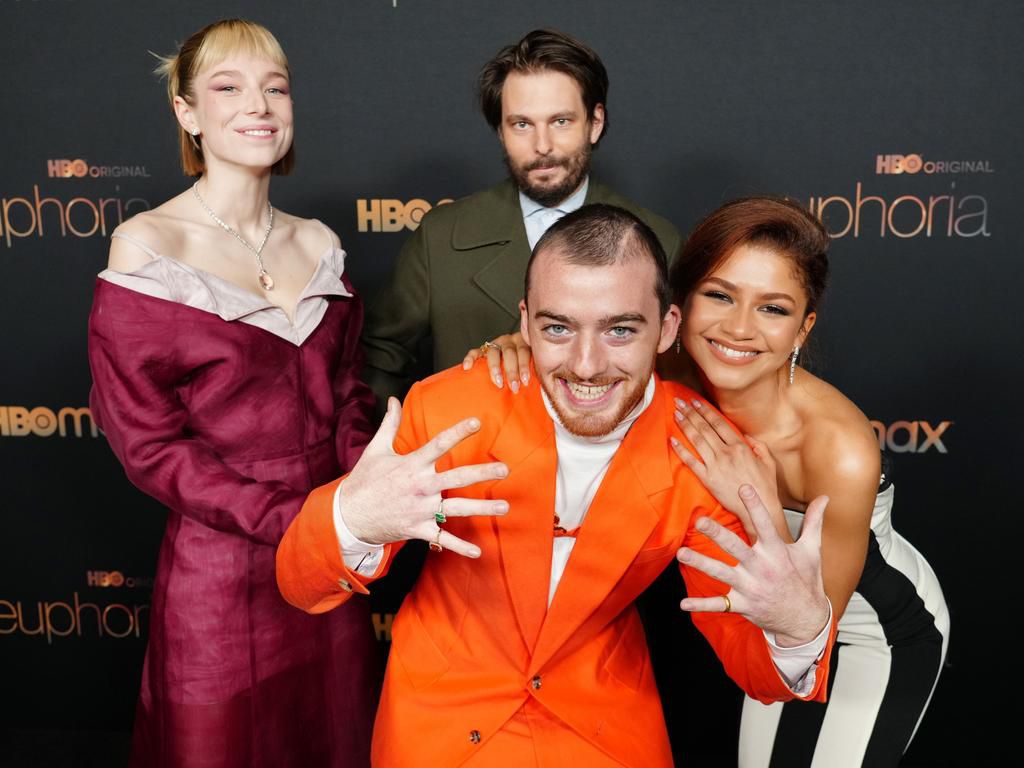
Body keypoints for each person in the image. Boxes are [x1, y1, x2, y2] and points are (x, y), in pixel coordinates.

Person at [277, 204, 836, 767]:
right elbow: (302, 586)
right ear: (525, 324)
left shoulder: (703, 450)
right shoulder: (446, 408)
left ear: (667, 328)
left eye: (620, 329)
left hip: (603, 727)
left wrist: (799, 628)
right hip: (439, 720)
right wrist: (352, 518)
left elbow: (758, 670)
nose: (586, 365)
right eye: (558, 329)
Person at [473, 197, 950, 767]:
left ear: (803, 328)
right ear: (677, 308)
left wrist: (757, 505)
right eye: (720, 296)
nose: (739, 328)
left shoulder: (838, 448)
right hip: (763, 632)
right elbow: (570, 344)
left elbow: (811, 620)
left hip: (866, 627)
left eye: (772, 308)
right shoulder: (659, 368)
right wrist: (514, 345)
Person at [88, 19, 377, 767]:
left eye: (275, 88)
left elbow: (347, 396)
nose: (259, 105)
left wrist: (368, 489)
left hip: (330, 559)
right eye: (229, 87)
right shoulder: (148, 247)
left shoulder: (320, 242)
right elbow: (149, 446)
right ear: (186, 112)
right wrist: (296, 518)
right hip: (218, 577)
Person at [360, 29, 682, 410]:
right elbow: (381, 360)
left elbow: (675, 376)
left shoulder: (658, 240)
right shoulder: (441, 236)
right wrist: (403, 438)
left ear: (594, 122)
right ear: (501, 131)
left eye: (560, 121)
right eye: (522, 125)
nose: (542, 145)